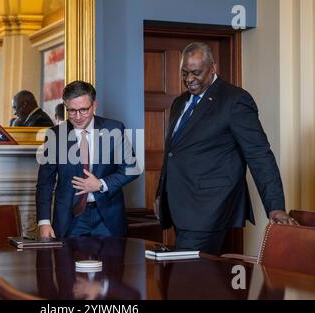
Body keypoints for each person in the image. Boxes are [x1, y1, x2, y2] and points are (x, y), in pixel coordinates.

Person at [154, 42, 298, 255]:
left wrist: (275, 206)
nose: (189, 80)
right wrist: (161, 194)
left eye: (196, 73)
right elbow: (173, 153)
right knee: (196, 279)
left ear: (212, 68)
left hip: (210, 207)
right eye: (184, 73)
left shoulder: (235, 100)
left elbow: (259, 154)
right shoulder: (180, 102)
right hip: (179, 206)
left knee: (188, 276)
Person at [36, 80, 139, 239]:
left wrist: (101, 184)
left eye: (83, 110)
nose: (77, 117)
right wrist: (44, 222)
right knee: (66, 264)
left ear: (94, 105)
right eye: (72, 111)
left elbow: (131, 169)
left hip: (107, 217)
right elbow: (45, 182)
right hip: (70, 219)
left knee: (113, 264)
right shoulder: (55, 135)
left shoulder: (114, 129)